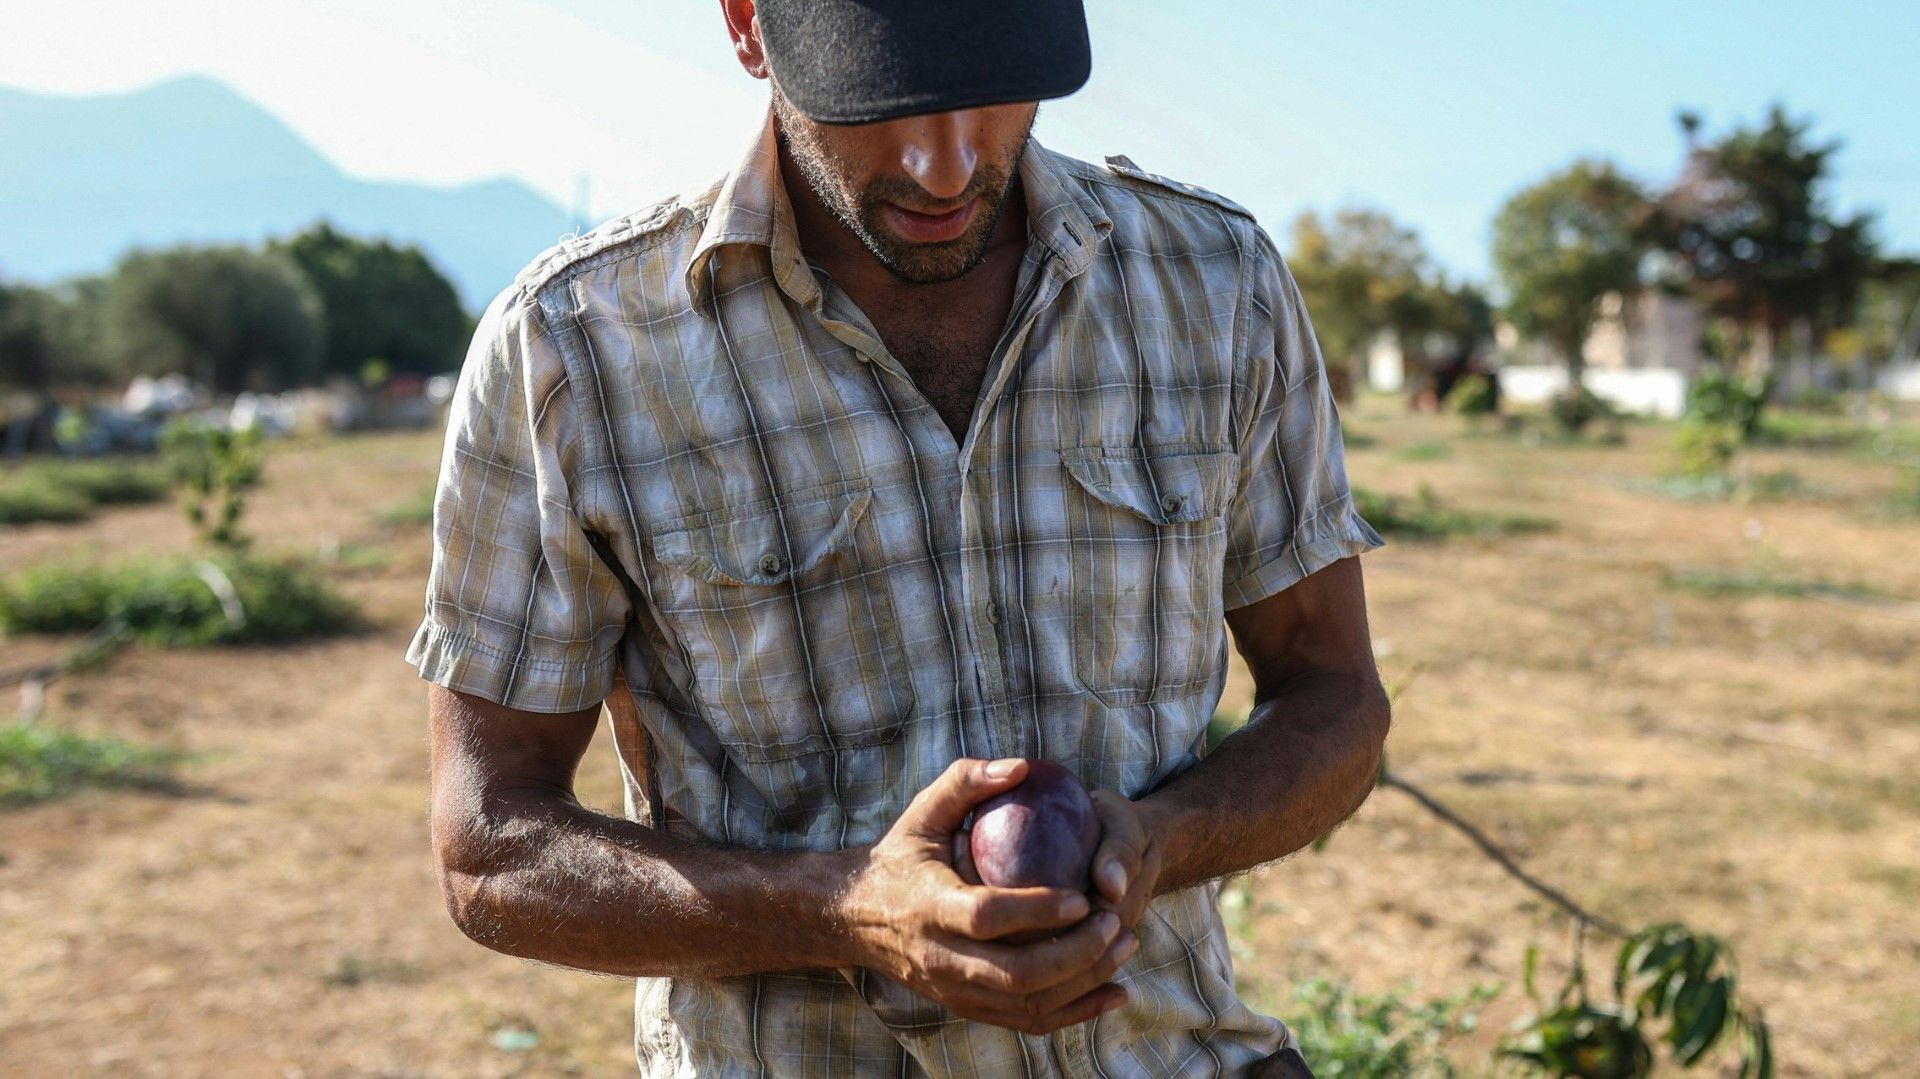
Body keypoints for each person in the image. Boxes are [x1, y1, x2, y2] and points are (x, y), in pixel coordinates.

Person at [410, 0, 1390, 1073]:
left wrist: (1165, 837)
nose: (945, 164)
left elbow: (1335, 700)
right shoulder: (574, 353)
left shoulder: (1215, 284)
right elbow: (491, 848)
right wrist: (846, 911)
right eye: (880, 102)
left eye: (992, 91)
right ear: (749, 27)